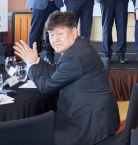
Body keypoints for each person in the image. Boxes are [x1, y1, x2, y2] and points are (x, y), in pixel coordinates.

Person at [14, 11, 119, 145]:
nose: (55, 39)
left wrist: (31, 65)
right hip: (98, 114)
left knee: (37, 133)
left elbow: (47, 87)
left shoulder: (73, 56)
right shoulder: (79, 46)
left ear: (74, 32)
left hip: (89, 123)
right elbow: (58, 72)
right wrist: (37, 61)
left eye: (60, 33)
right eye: (51, 35)